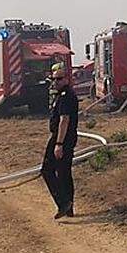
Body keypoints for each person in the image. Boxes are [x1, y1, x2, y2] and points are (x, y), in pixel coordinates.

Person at [40, 64, 78, 219]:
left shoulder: (65, 96)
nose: (56, 82)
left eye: (59, 79)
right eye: (54, 79)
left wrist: (59, 144)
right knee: (64, 172)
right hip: (65, 138)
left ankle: (63, 203)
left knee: (47, 170)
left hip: (61, 138)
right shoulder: (62, 94)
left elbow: (64, 120)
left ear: (67, 79)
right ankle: (68, 207)